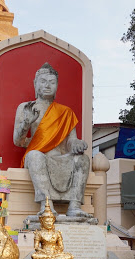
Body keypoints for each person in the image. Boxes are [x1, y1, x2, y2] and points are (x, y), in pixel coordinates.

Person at [13, 63, 91, 217]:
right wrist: (26, 123)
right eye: (43, 81)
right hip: (38, 156)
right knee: (35, 156)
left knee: (83, 159)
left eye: (52, 82)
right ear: (35, 84)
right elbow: (18, 141)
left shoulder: (65, 112)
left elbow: (71, 140)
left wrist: (76, 143)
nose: (47, 85)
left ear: (57, 86)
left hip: (60, 156)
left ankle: (74, 206)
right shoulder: (26, 108)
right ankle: (46, 205)